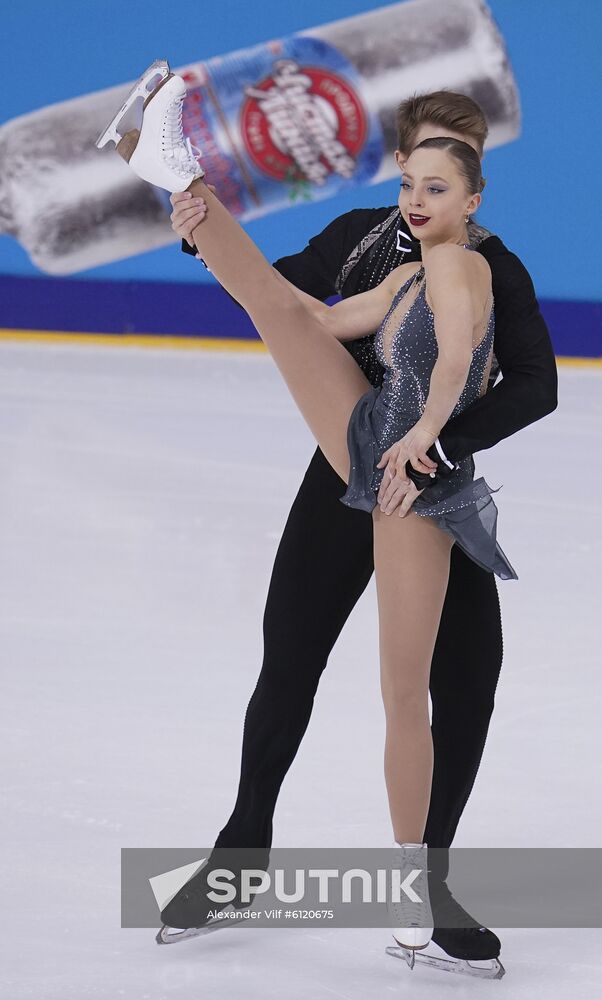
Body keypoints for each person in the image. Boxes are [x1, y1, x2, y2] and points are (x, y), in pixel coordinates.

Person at [97, 70, 557, 975]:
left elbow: (531, 384)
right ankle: (242, 856)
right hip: (344, 460)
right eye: (410, 174)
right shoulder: (361, 244)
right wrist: (201, 237)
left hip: (426, 481)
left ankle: (427, 881)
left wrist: (435, 441)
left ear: (472, 185)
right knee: (289, 660)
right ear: (397, 167)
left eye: (442, 178)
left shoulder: (488, 267)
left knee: (461, 688)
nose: (420, 192)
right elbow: (288, 306)